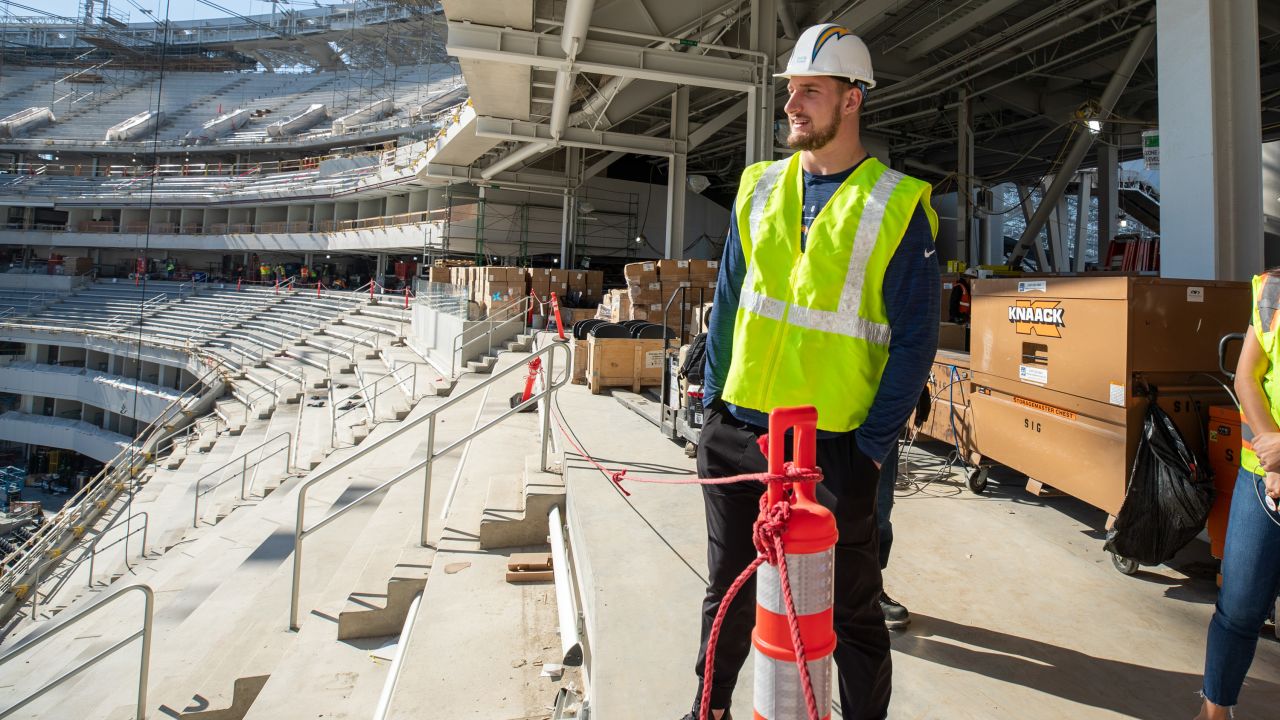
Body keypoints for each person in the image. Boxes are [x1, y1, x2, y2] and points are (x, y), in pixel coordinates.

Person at [684, 23, 940, 720]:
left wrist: (870, 449)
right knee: (729, 589)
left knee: (851, 610)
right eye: (790, 90)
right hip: (739, 429)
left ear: (852, 100)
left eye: (811, 91)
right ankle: (708, 708)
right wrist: (711, 405)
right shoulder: (758, 187)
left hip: (833, 448)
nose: (792, 104)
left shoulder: (896, 205)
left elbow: (916, 341)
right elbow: (731, 299)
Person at [1194, 270, 1280, 719]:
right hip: (1261, 479)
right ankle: (1214, 710)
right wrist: (1274, 452)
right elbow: (1247, 374)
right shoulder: (1272, 290)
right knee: (1239, 608)